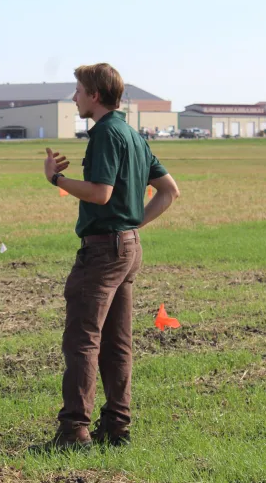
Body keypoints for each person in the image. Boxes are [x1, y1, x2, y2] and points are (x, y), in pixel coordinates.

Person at [42, 63, 180, 448]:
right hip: (128, 247)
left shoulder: (103, 134)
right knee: (118, 342)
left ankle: (74, 430)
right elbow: (169, 191)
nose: (74, 97)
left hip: (103, 251)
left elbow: (100, 193)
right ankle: (117, 427)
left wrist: (57, 179)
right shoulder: (133, 136)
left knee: (83, 339)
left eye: (78, 91)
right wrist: (132, 225)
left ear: (95, 95)